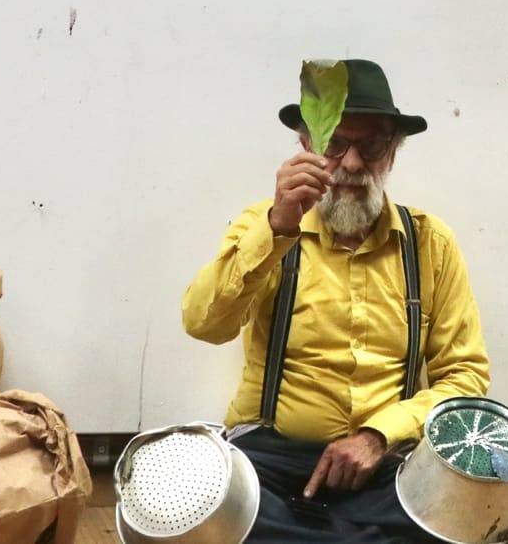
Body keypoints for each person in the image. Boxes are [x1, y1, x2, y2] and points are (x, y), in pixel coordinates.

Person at [182, 59, 489, 544]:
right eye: (334, 144)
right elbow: (204, 324)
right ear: (306, 147)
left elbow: (464, 378)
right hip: (271, 460)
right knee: (212, 511)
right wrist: (277, 226)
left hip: (385, 466)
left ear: (393, 153)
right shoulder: (264, 226)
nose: (351, 164)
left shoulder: (431, 243)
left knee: (456, 518)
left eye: (372, 146)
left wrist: (378, 435)